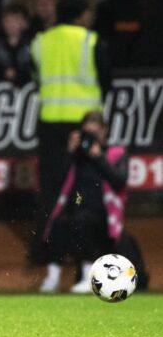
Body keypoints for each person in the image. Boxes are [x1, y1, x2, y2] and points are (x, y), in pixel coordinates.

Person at [29, 0, 112, 265]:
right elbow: (107, 80)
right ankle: (87, 254)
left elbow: (36, 78)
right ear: (80, 15)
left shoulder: (41, 41)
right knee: (87, 189)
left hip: (50, 124)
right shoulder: (90, 40)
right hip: (84, 123)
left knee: (52, 190)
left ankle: (45, 253)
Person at [39, 111, 128, 293]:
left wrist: (98, 156)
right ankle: (53, 276)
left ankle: (89, 276)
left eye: (94, 133)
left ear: (104, 131)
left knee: (83, 220)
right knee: (59, 223)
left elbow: (120, 182)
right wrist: (70, 152)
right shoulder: (78, 156)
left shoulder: (114, 152)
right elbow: (58, 181)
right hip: (78, 204)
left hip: (103, 211)